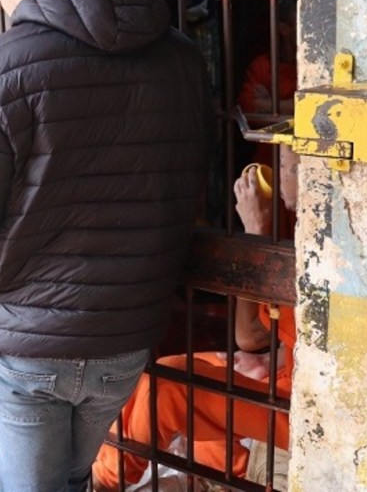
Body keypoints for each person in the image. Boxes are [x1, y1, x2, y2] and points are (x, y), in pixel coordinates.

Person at [0, 0, 211, 492]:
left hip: (25, 340)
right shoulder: (180, 57)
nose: (3, 10)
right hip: (126, 331)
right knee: (75, 478)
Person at [93, 147, 299, 491]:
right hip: (287, 378)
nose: (280, 170)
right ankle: (216, 468)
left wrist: (256, 234)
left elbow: (258, 336)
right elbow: (250, 337)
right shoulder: (292, 219)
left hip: (305, 408)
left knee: (167, 388)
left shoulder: (329, 241)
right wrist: (269, 358)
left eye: (290, 163)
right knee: (189, 367)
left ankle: (103, 483)